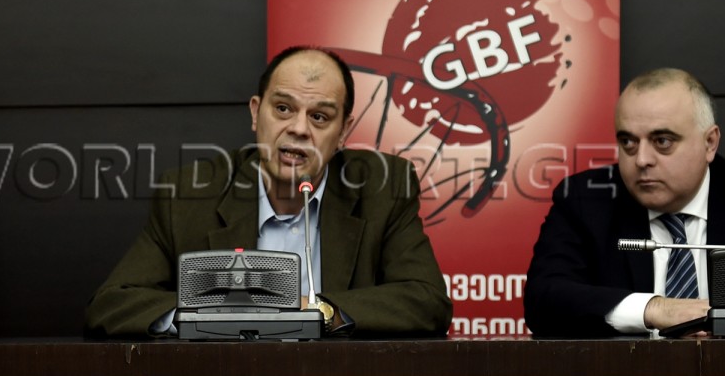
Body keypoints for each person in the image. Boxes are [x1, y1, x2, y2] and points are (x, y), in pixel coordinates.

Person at [85, 46, 452, 337]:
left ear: (343, 132)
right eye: (283, 108)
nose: (299, 129)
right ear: (256, 113)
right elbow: (112, 304)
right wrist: (207, 316)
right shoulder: (189, 194)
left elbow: (427, 302)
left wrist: (319, 311)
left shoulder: (383, 187)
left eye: (319, 117)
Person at [524, 68, 725, 338]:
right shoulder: (585, 199)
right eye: (628, 142)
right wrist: (655, 309)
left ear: (709, 142)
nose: (641, 160)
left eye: (663, 141)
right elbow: (544, 301)